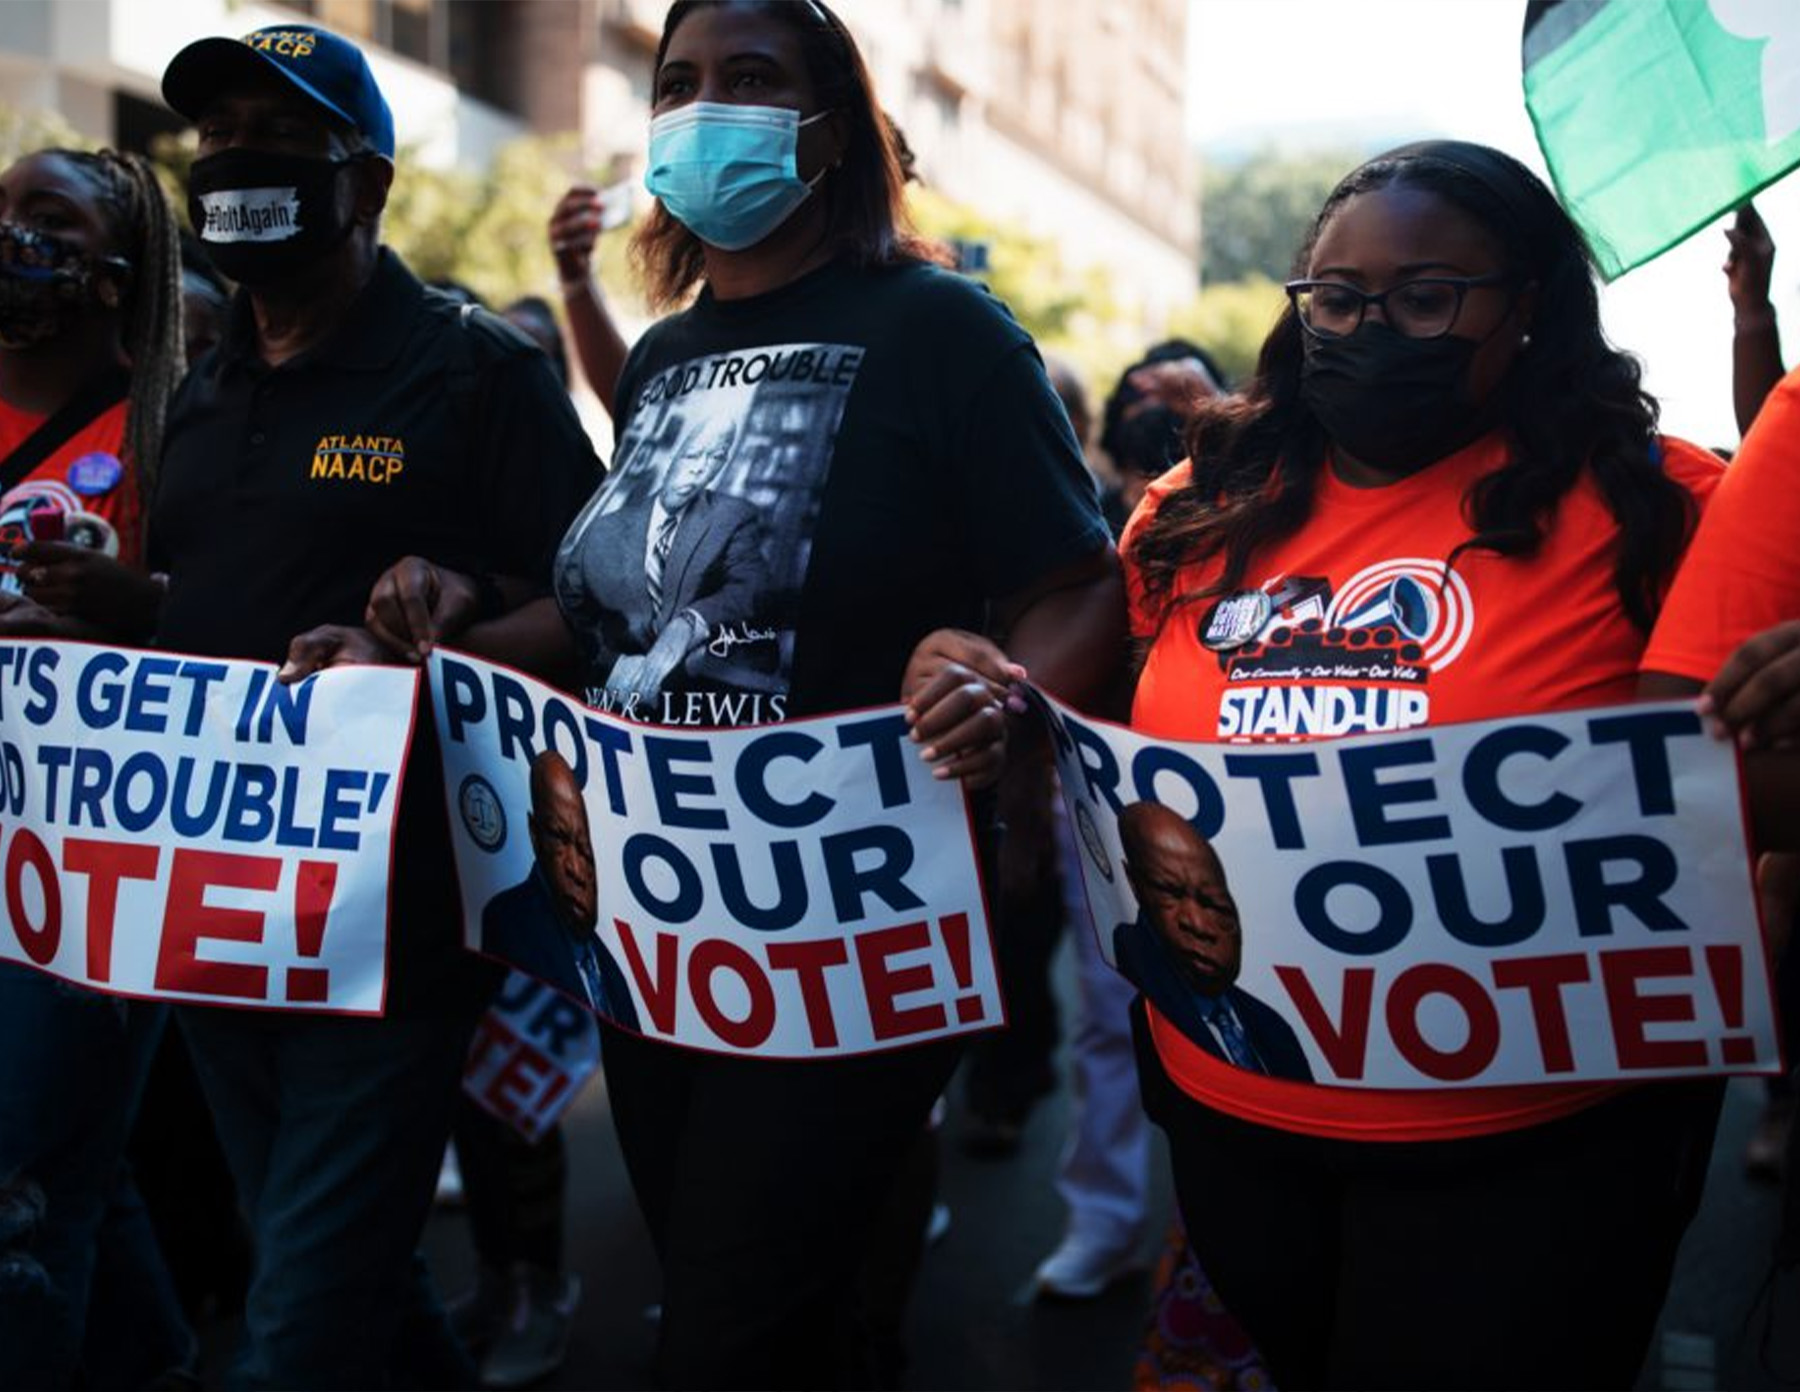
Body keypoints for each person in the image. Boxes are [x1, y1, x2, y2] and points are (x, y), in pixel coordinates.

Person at [357, 3, 1123, 1383]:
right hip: (658, 935)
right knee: (757, 1301)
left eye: (753, 78)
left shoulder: (947, 330)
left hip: (852, 927)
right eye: (681, 81)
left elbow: (1081, 588)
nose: (708, 103)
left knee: (728, 1334)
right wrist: (436, 632)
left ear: (831, 128)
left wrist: (1003, 695)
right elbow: (604, 619)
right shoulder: (660, 360)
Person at [1122, 139, 1725, 1390]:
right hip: (1238, 1117)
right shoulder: (1200, 503)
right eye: (1336, 298)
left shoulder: (1664, 509)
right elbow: (1080, 719)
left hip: (1540, 1145)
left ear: (1530, 308)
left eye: (1427, 297)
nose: (1371, 326)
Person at [152, 24, 599, 1387]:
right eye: (219, 137)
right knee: (348, 1274)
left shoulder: (474, 372)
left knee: (295, 1323)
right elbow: (188, 602)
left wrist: (451, 617)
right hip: (211, 905)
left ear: (369, 186)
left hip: (394, 924)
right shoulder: (192, 383)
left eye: (279, 142)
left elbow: (606, 609)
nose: (237, 165)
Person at [0, 145, 193, 1389]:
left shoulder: (180, 427)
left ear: (117, 274)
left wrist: (124, 609)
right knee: (69, 1169)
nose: (10, 232)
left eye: (46, 219)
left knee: (21, 1196)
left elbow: (236, 622)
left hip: (84, 869)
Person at [557, 416, 767, 712]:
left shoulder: (732, 516)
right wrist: (613, 662)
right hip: (611, 705)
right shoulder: (606, 529)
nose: (701, 468)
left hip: (703, 701)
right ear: (669, 453)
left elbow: (753, 588)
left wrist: (690, 622)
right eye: (693, 454)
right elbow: (573, 611)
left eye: (716, 457)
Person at [1111, 802, 1311, 1084]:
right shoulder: (1128, 977)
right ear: (1134, 884)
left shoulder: (1274, 1029)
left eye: (1216, 906)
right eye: (1170, 893)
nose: (1197, 923)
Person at [480, 749, 641, 1028]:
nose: (577, 870)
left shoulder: (612, 973)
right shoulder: (509, 922)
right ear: (535, 834)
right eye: (559, 840)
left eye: (585, 851)